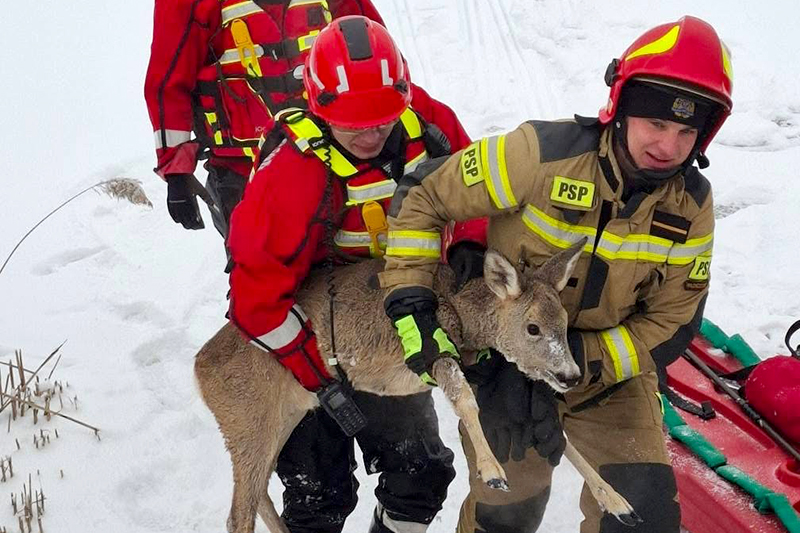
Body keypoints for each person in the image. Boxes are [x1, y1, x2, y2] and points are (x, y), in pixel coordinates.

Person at [379, 15, 732, 533]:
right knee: (507, 513)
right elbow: (426, 194)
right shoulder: (539, 155)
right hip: (507, 363)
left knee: (642, 518)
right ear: (621, 109)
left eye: (686, 131)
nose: (668, 146)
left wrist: (577, 360)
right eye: (656, 124)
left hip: (608, 374)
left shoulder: (691, 206)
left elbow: (673, 320)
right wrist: (413, 296)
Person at [226, 16, 483, 533]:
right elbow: (254, 300)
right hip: (307, 337)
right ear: (320, 107)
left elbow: (477, 192)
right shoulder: (291, 173)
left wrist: (470, 248)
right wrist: (317, 377)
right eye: (352, 123)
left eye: (382, 120)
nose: (370, 134)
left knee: (422, 472)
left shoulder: (428, 125)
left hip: (396, 323)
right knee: (318, 495)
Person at [144, 0, 384, 240]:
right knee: (256, 256)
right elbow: (168, 80)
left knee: (358, 245)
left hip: (338, 152)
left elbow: (376, 52)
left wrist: (394, 129)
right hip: (244, 173)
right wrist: (176, 172)